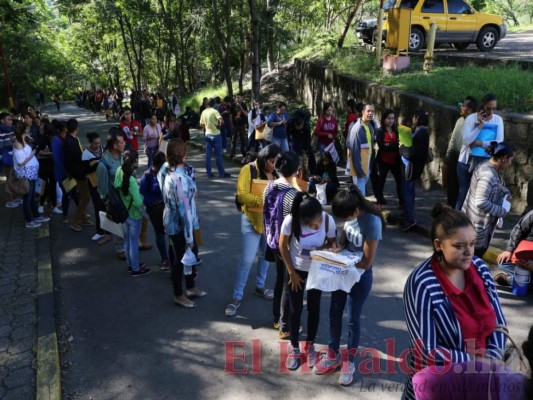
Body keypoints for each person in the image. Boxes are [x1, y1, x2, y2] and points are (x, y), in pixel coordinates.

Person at [402, 204, 507, 400]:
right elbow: (426, 352)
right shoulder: (422, 283)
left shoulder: (480, 269)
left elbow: (499, 323)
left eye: (472, 244)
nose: (468, 252)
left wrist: (493, 358)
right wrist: (478, 363)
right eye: (459, 246)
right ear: (438, 245)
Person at [314, 185, 383, 386]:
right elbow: (345, 237)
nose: (345, 221)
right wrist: (339, 247)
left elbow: (367, 262)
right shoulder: (349, 215)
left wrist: (343, 263)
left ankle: (349, 361)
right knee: (334, 313)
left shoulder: (372, 222)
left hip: (359, 276)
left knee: (353, 319)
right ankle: (333, 353)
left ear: (355, 211)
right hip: (343, 271)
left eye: (346, 217)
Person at [280, 193, 337, 370]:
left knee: (314, 307)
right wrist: (292, 273)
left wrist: (324, 248)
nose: (318, 225)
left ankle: (310, 344)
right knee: (295, 309)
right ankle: (294, 347)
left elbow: (332, 242)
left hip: (316, 270)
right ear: (302, 221)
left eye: (319, 221)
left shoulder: (328, 220)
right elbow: (282, 246)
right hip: (295, 269)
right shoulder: (291, 221)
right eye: (313, 225)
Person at [225, 144, 281, 317]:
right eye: (272, 162)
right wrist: (262, 200)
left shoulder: (277, 173)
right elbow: (241, 195)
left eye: (276, 162)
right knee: (247, 260)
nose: (274, 166)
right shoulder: (247, 170)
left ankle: (260, 286)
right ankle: (236, 297)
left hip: (269, 223)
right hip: (251, 220)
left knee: (266, 257)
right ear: (264, 159)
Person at [160, 139, 206, 307]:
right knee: (181, 259)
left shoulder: (169, 171)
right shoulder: (178, 178)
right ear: (184, 155)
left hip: (175, 223)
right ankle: (179, 294)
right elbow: (184, 211)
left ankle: (190, 287)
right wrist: (189, 237)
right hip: (180, 226)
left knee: (187, 257)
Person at [262, 151, 300, 339]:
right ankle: (285, 327)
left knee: (279, 279)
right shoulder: (293, 194)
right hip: (288, 245)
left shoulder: (268, 188)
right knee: (288, 282)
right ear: (295, 171)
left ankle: (277, 318)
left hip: (272, 240)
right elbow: (297, 223)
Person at [462, 142, 514, 258]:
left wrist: (505, 192)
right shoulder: (488, 174)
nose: (510, 164)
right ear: (504, 158)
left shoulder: (488, 167)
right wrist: (501, 211)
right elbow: (481, 201)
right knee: (471, 262)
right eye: (510, 160)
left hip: (475, 226)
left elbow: (495, 185)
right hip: (476, 229)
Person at [456, 93, 504, 210]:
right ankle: (455, 223)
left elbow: (498, 142)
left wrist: (478, 143)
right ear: (483, 106)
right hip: (466, 161)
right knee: (463, 194)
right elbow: (467, 140)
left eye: (494, 108)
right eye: (488, 108)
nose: (491, 112)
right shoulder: (471, 118)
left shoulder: (498, 120)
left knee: (477, 196)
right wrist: (479, 126)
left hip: (485, 162)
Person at [114, 150, 150, 277]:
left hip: (123, 213)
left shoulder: (119, 170)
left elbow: (116, 185)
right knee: (134, 242)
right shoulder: (132, 180)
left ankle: (130, 265)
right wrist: (141, 193)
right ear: (134, 162)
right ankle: (135, 268)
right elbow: (139, 202)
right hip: (134, 215)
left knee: (127, 241)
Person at [12, 124, 50, 228]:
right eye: (27, 130)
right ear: (24, 131)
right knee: (27, 199)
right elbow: (20, 163)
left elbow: (33, 144)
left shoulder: (24, 140)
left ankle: (36, 216)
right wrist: (33, 154)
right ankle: (28, 220)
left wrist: (30, 140)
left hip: (31, 173)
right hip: (26, 175)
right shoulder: (18, 143)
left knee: (32, 197)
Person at [399, 110, 430, 231]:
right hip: (415, 167)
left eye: (413, 117)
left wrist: (401, 147)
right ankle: (408, 213)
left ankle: (410, 218)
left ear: (417, 118)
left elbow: (410, 152)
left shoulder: (420, 133)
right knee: (410, 191)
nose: (412, 119)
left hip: (410, 168)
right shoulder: (424, 131)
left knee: (407, 192)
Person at [63, 119, 96, 232]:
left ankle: (83, 217)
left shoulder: (71, 139)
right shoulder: (70, 142)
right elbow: (73, 161)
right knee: (86, 197)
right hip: (79, 174)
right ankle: (76, 221)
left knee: (82, 197)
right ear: (77, 128)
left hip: (79, 172)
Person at [444, 97, 477, 208]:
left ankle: (459, 214)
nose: (461, 108)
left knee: (463, 190)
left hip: (466, 159)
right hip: (454, 156)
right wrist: (448, 156)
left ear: (470, 110)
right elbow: (453, 140)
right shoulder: (459, 121)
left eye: (463, 106)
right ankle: (449, 211)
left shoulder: (475, 124)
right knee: (451, 188)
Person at [140, 151, 170, 271]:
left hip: (168, 207)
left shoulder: (168, 173)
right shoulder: (147, 176)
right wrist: (151, 204)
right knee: (160, 234)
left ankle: (176, 257)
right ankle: (165, 258)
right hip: (155, 210)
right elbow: (142, 194)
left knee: (173, 233)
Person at [82, 132, 110, 243]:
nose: (98, 146)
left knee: (106, 206)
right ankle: (100, 231)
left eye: (99, 143)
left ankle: (109, 230)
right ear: (90, 143)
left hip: (104, 182)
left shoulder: (103, 149)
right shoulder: (85, 154)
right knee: (98, 207)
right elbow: (85, 170)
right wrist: (98, 162)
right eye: (95, 144)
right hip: (93, 184)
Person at [346, 103, 378, 196]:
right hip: (359, 169)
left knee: (360, 196)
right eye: (368, 111)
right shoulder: (357, 129)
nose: (370, 113)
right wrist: (359, 171)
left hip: (367, 166)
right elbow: (354, 152)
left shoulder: (369, 127)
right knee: (361, 196)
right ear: (362, 112)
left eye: (372, 111)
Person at [495, 209, 533, 287]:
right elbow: (519, 229)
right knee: (503, 262)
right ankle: (523, 278)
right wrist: (509, 250)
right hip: (526, 256)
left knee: (526, 281)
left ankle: (509, 280)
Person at [374, 109, 402, 209]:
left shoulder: (396, 130)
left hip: (395, 160)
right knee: (381, 181)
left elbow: (398, 144)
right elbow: (382, 147)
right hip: (383, 161)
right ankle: (379, 201)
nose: (391, 120)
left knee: (400, 181)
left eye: (393, 118)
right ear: (384, 119)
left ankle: (402, 202)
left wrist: (390, 145)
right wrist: (395, 145)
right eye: (389, 118)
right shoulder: (380, 131)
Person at [199, 98, 230, 178]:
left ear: (207, 104)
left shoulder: (203, 112)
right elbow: (221, 121)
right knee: (218, 155)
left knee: (208, 155)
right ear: (214, 104)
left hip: (207, 134)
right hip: (216, 135)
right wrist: (219, 126)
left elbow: (201, 124)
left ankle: (209, 173)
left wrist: (206, 127)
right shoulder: (215, 111)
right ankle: (221, 173)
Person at [231, 95, 249, 159]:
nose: (238, 99)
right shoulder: (233, 105)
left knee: (243, 139)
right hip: (234, 124)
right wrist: (231, 123)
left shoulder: (244, 105)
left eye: (239, 98)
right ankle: (232, 152)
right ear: (235, 99)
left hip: (242, 125)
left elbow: (247, 115)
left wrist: (241, 108)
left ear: (241, 98)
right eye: (237, 98)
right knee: (233, 139)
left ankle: (243, 152)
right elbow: (231, 115)